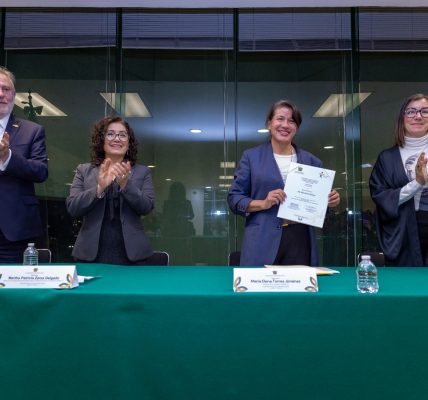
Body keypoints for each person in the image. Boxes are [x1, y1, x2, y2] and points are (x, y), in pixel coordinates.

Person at [227, 99, 340, 266]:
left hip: (299, 238)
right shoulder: (251, 157)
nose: (285, 125)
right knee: (260, 283)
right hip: (262, 238)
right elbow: (234, 199)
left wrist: (330, 201)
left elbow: (318, 208)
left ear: (296, 128)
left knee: (299, 283)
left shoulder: (312, 162)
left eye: (291, 121)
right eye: (280, 119)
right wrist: (263, 203)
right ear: (269, 124)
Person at [66, 115, 155, 265]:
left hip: (133, 254)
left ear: (129, 142)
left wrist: (126, 185)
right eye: (110, 134)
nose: (117, 139)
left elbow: (147, 207)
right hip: (90, 253)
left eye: (122, 135)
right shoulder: (84, 170)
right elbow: (73, 208)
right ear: (101, 140)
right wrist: (99, 188)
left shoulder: (142, 172)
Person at [370, 93, 428, 266]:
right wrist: (417, 183)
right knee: (407, 281)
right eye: (411, 111)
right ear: (402, 118)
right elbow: (381, 196)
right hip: (402, 234)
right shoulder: (387, 158)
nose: (418, 116)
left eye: (425, 111)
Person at [0, 66, 48, 263]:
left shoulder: (32, 130)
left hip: (14, 232)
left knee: (13, 283)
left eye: (6, 89)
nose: (1, 94)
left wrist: (8, 158)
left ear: (13, 95)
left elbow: (41, 171)